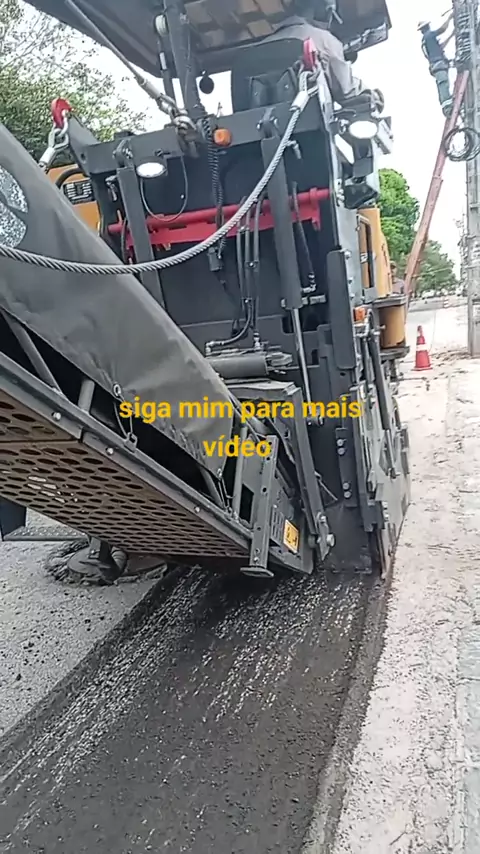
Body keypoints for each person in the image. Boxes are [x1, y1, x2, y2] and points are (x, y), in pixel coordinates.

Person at [261, 0, 377, 107]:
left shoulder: (264, 43)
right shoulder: (324, 40)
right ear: (324, 12)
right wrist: (374, 96)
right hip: (303, 117)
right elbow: (347, 92)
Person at [418, 18, 453, 117]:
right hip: (438, 64)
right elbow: (443, 29)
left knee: (443, 84)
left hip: (437, 65)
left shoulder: (427, 40)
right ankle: (447, 108)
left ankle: (447, 106)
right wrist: (450, 17)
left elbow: (440, 47)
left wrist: (452, 35)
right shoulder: (429, 35)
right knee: (443, 85)